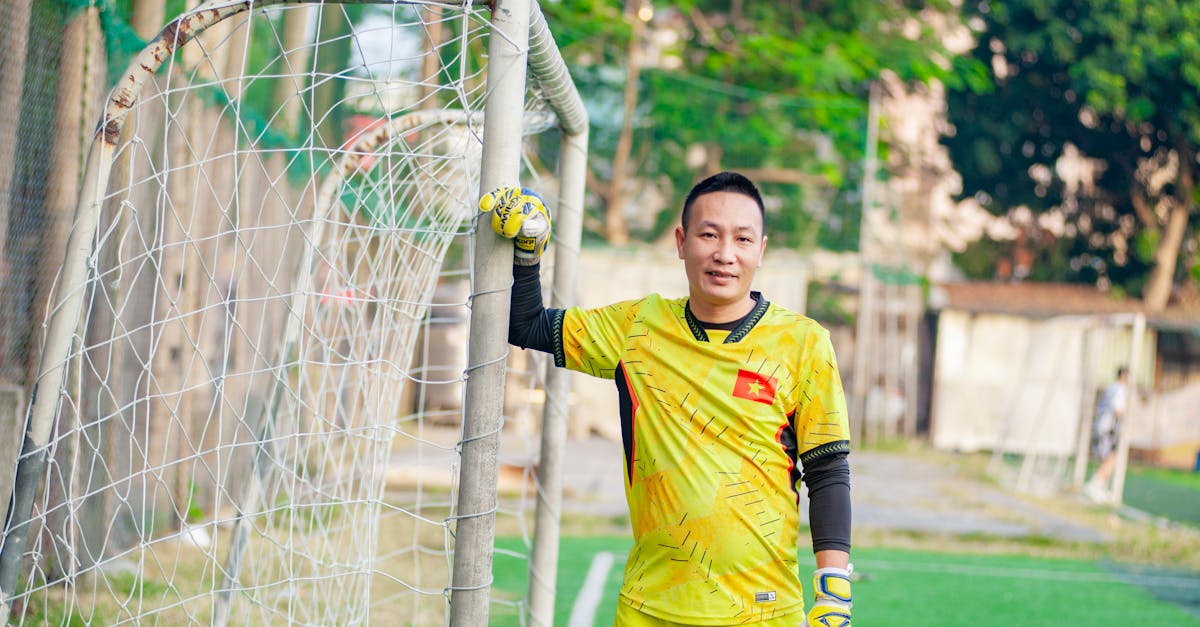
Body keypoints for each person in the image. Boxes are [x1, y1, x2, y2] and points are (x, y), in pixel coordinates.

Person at [480, 172, 853, 627]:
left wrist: (835, 593)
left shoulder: (804, 344)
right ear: (681, 242)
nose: (724, 254)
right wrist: (527, 253)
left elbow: (828, 468)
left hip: (764, 613)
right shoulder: (638, 327)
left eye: (742, 239)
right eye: (709, 235)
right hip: (651, 611)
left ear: (761, 250)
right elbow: (528, 326)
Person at [1084, 366, 1129, 502]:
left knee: (1108, 457)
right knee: (1112, 457)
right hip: (1108, 428)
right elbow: (1118, 409)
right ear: (1125, 376)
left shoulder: (1111, 387)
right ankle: (1095, 485)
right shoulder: (1120, 389)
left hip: (1102, 425)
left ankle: (1098, 486)